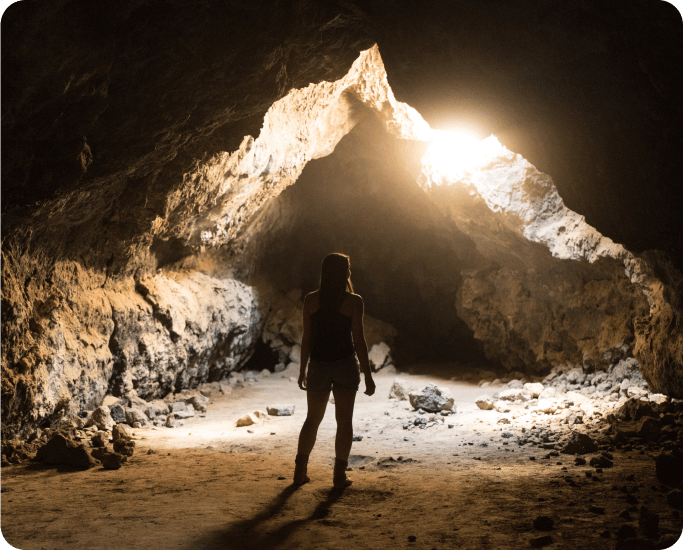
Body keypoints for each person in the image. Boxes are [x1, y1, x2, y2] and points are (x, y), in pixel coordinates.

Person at [293, 253, 375, 489]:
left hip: (318, 365)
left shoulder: (310, 300)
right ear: (344, 273)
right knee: (344, 421)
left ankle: (299, 473)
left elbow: (307, 337)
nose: (350, 272)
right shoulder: (354, 301)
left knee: (312, 420)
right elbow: (359, 340)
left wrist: (302, 369)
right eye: (348, 268)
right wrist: (368, 375)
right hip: (345, 365)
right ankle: (339, 476)